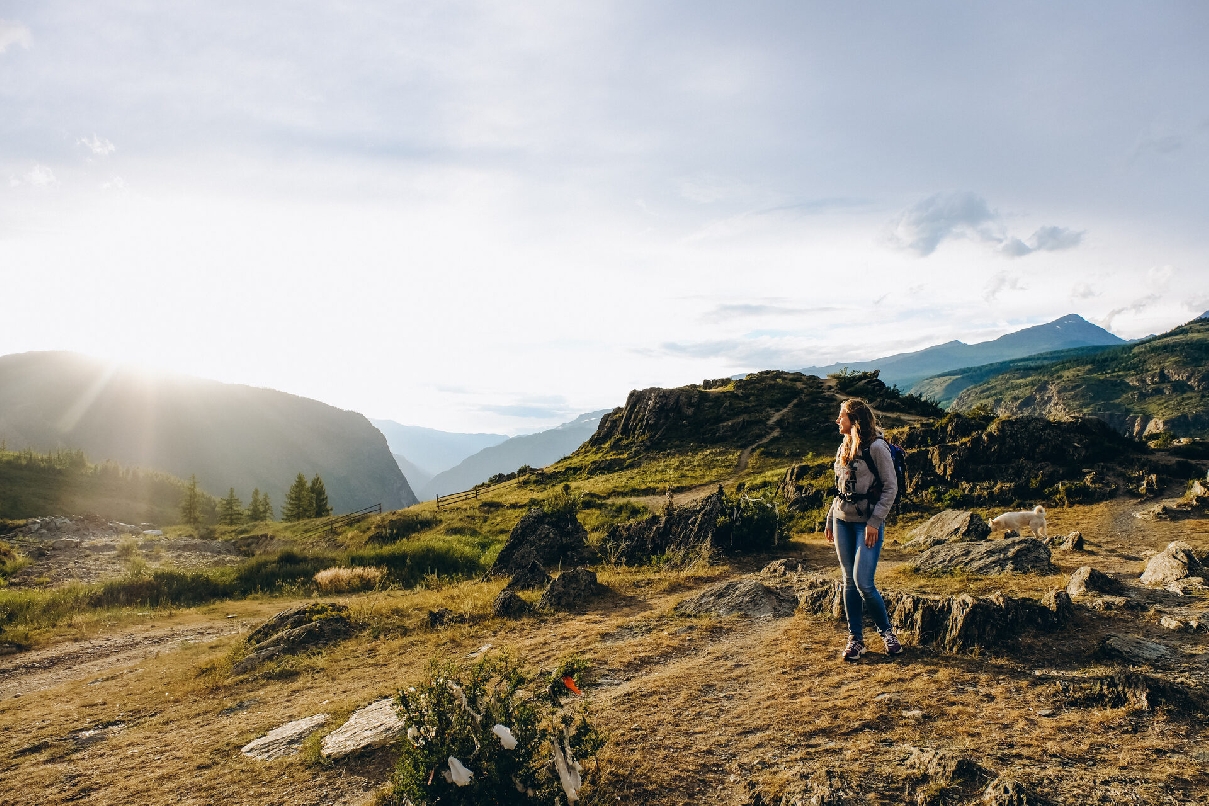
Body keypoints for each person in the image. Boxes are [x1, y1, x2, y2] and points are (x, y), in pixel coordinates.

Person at [824, 398, 902, 661]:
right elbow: (840, 487)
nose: (837, 420)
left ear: (854, 420)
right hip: (841, 520)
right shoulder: (844, 446)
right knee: (848, 581)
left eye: (841, 416)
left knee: (864, 583)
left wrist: (874, 522)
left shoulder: (877, 448)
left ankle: (887, 633)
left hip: (867, 525)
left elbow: (891, 488)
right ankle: (856, 639)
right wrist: (829, 518)